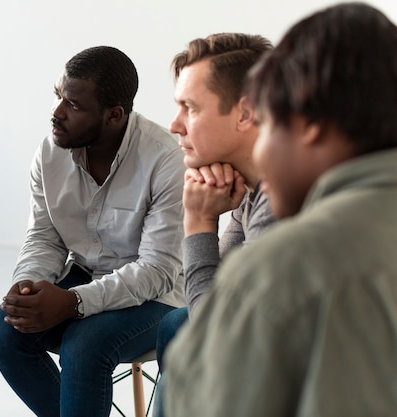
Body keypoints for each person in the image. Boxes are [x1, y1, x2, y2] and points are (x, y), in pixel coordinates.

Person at [165, 2, 397, 416]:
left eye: (270, 123)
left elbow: (215, 347)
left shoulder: (285, 262)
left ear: (308, 125)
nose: (175, 125)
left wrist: (198, 222)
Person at [0, 45, 185, 417]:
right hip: (87, 271)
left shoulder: (165, 159)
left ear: (113, 115)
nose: (56, 113)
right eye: (58, 96)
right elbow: (45, 237)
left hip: (160, 293)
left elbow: (157, 270)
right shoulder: (50, 152)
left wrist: (74, 302)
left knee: (85, 345)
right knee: (4, 332)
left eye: (73, 105)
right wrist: (27, 282)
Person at [156, 33, 275, 367]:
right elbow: (217, 295)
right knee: (174, 324)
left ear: (245, 114)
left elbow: (214, 332)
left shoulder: (280, 203)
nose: (174, 125)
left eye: (189, 108)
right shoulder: (252, 188)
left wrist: (199, 221)